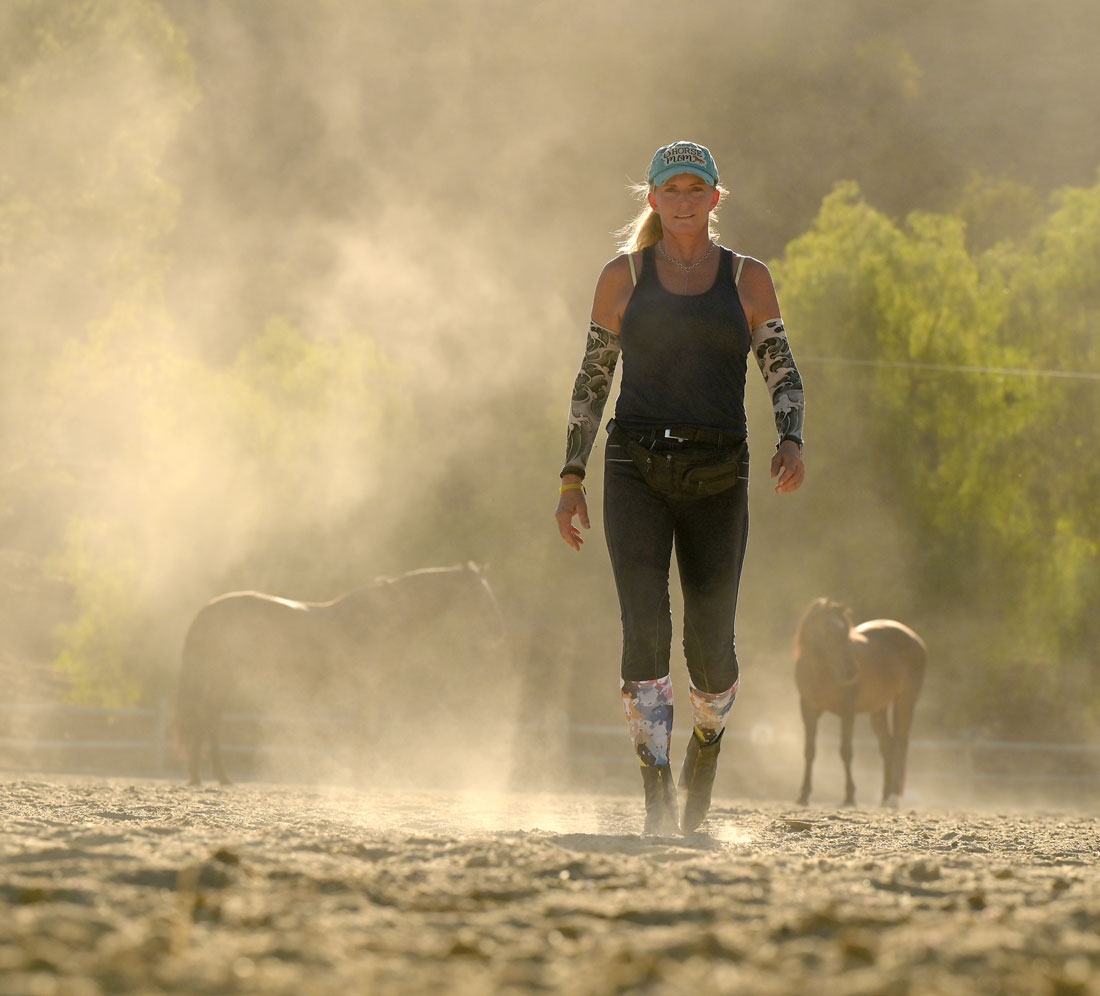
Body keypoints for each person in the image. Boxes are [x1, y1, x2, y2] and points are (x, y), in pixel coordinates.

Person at [554, 141, 805, 835]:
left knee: (711, 647)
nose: (686, 201)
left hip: (721, 474)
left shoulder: (748, 279)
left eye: (699, 190)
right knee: (644, 629)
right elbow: (591, 381)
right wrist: (571, 476)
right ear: (654, 200)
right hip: (635, 466)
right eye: (673, 190)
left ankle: (706, 745)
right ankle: (655, 790)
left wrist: (792, 438)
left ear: (716, 200)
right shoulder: (623, 276)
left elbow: (782, 369)